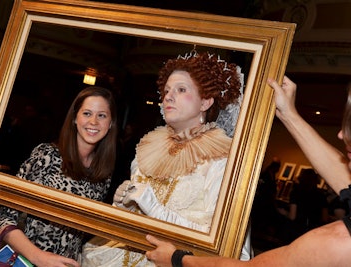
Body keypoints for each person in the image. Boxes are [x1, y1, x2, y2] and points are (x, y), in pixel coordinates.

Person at [144, 75, 351, 267]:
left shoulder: (339, 242)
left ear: (206, 102)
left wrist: (177, 259)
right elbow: (342, 178)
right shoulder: (152, 150)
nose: (341, 134)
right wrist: (289, 114)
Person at [82, 51, 253, 266]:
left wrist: (153, 208)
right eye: (167, 91)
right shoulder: (150, 148)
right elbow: (137, 217)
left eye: (181, 90)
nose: (168, 97)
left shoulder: (222, 160)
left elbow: (223, 244)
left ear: (206, 102)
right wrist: (125, 206)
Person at [0, 86, 118, 267]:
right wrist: (38, 257)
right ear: (75, 118)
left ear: (111, 122)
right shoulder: (47, 155)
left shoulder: (103, 173)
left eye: (102, 115)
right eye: (87, 113)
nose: (93, 122)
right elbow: (4, 218)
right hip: (26, 262)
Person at [278, 168, 329, 242]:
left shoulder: (296, 192)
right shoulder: (321, 195)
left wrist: (284, 212)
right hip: (313, 232)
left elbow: (292, 216)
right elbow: (325, 218)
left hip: (296, 230)